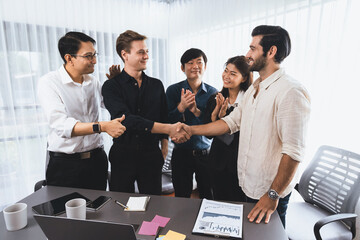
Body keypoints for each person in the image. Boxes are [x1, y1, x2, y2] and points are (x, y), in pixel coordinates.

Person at [175, 25, 311, 227]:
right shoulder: (255, 88)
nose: (248, 54)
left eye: (253, 48)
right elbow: (230, 123)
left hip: (269, 192)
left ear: (271, 51)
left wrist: (272, 194)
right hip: (248, 186)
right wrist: (191, 129)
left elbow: (293, 152)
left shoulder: (290, 91)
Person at [37, 32, 126, 190]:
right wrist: (102, 127)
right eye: (88, 56)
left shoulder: (93, 82)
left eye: (94, 55)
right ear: (69, 58)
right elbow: (62, 125)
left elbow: (113, 106)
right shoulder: (49, 83)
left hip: (96, 161)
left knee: (98, 211)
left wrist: (117, 84)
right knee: (64, 213)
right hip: (65, 164)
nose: (95, 61)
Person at [101, 30, 168, 195]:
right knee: (120, 205)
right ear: (125, 54)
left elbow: (164, 115)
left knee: (153, 204)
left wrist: (164, 147)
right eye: (141, 52)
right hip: (123, 155)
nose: (146, 56)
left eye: (146, 52)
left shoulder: (157, 85)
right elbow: (125, 119)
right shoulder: (111, 86)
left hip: (152, 155)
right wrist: (168, 129)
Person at [166, 48, 217, 199]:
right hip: (181, 153)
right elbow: (166, 121)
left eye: (199, 62)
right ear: (183, 68)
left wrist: (196, 111)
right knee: (181, 196)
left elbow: (213, 127)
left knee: (208, 195)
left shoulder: (213, 93)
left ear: (205, 66)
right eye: (190, 63)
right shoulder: (173, 90)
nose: (195, 66)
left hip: (205, 154)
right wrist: (180, 108)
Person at [203, 55, 252, 201]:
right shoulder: (215, 98)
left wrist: (224, 118)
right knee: (218, 200)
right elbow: (208, 135)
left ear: (244, 78)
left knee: (239, 203)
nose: (227, 76)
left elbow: (242, 133)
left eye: (233, 73)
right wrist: (214, 116)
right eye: (226, 71)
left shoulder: (249, 102)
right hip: (217, 161)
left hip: (240, 163)